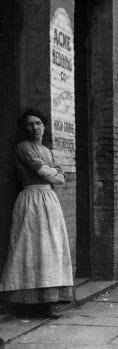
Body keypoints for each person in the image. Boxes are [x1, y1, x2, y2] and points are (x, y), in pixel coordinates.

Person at [0, 109, 74, 318]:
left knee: (51, 248)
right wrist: (56, 175)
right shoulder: (24, 148)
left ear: (45, 126)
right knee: (29, 247)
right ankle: (23, 302)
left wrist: (56, 175)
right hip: (31, 200)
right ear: (24, 128)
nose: (35, 128)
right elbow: (45, 172)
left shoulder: (47, 150)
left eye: (38, 123)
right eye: (30, 124)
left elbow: (60, 177)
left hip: (49, 200)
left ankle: (48, 301)